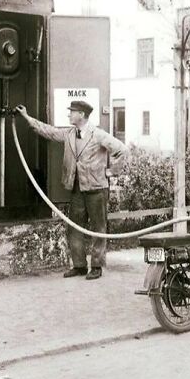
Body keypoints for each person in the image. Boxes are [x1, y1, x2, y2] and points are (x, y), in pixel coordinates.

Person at [15, 100, 127, 280]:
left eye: (72, 111)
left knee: (99, 228)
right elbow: (48, 131)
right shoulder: (68, 134)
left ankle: (96, 266)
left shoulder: (98, 135)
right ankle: (80, 266)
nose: (69, 114)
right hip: (76, 189)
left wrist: (111, 171)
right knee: (74, 228)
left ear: (81, 114)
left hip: (97, 189)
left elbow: (122, 151)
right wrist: (27, 117)